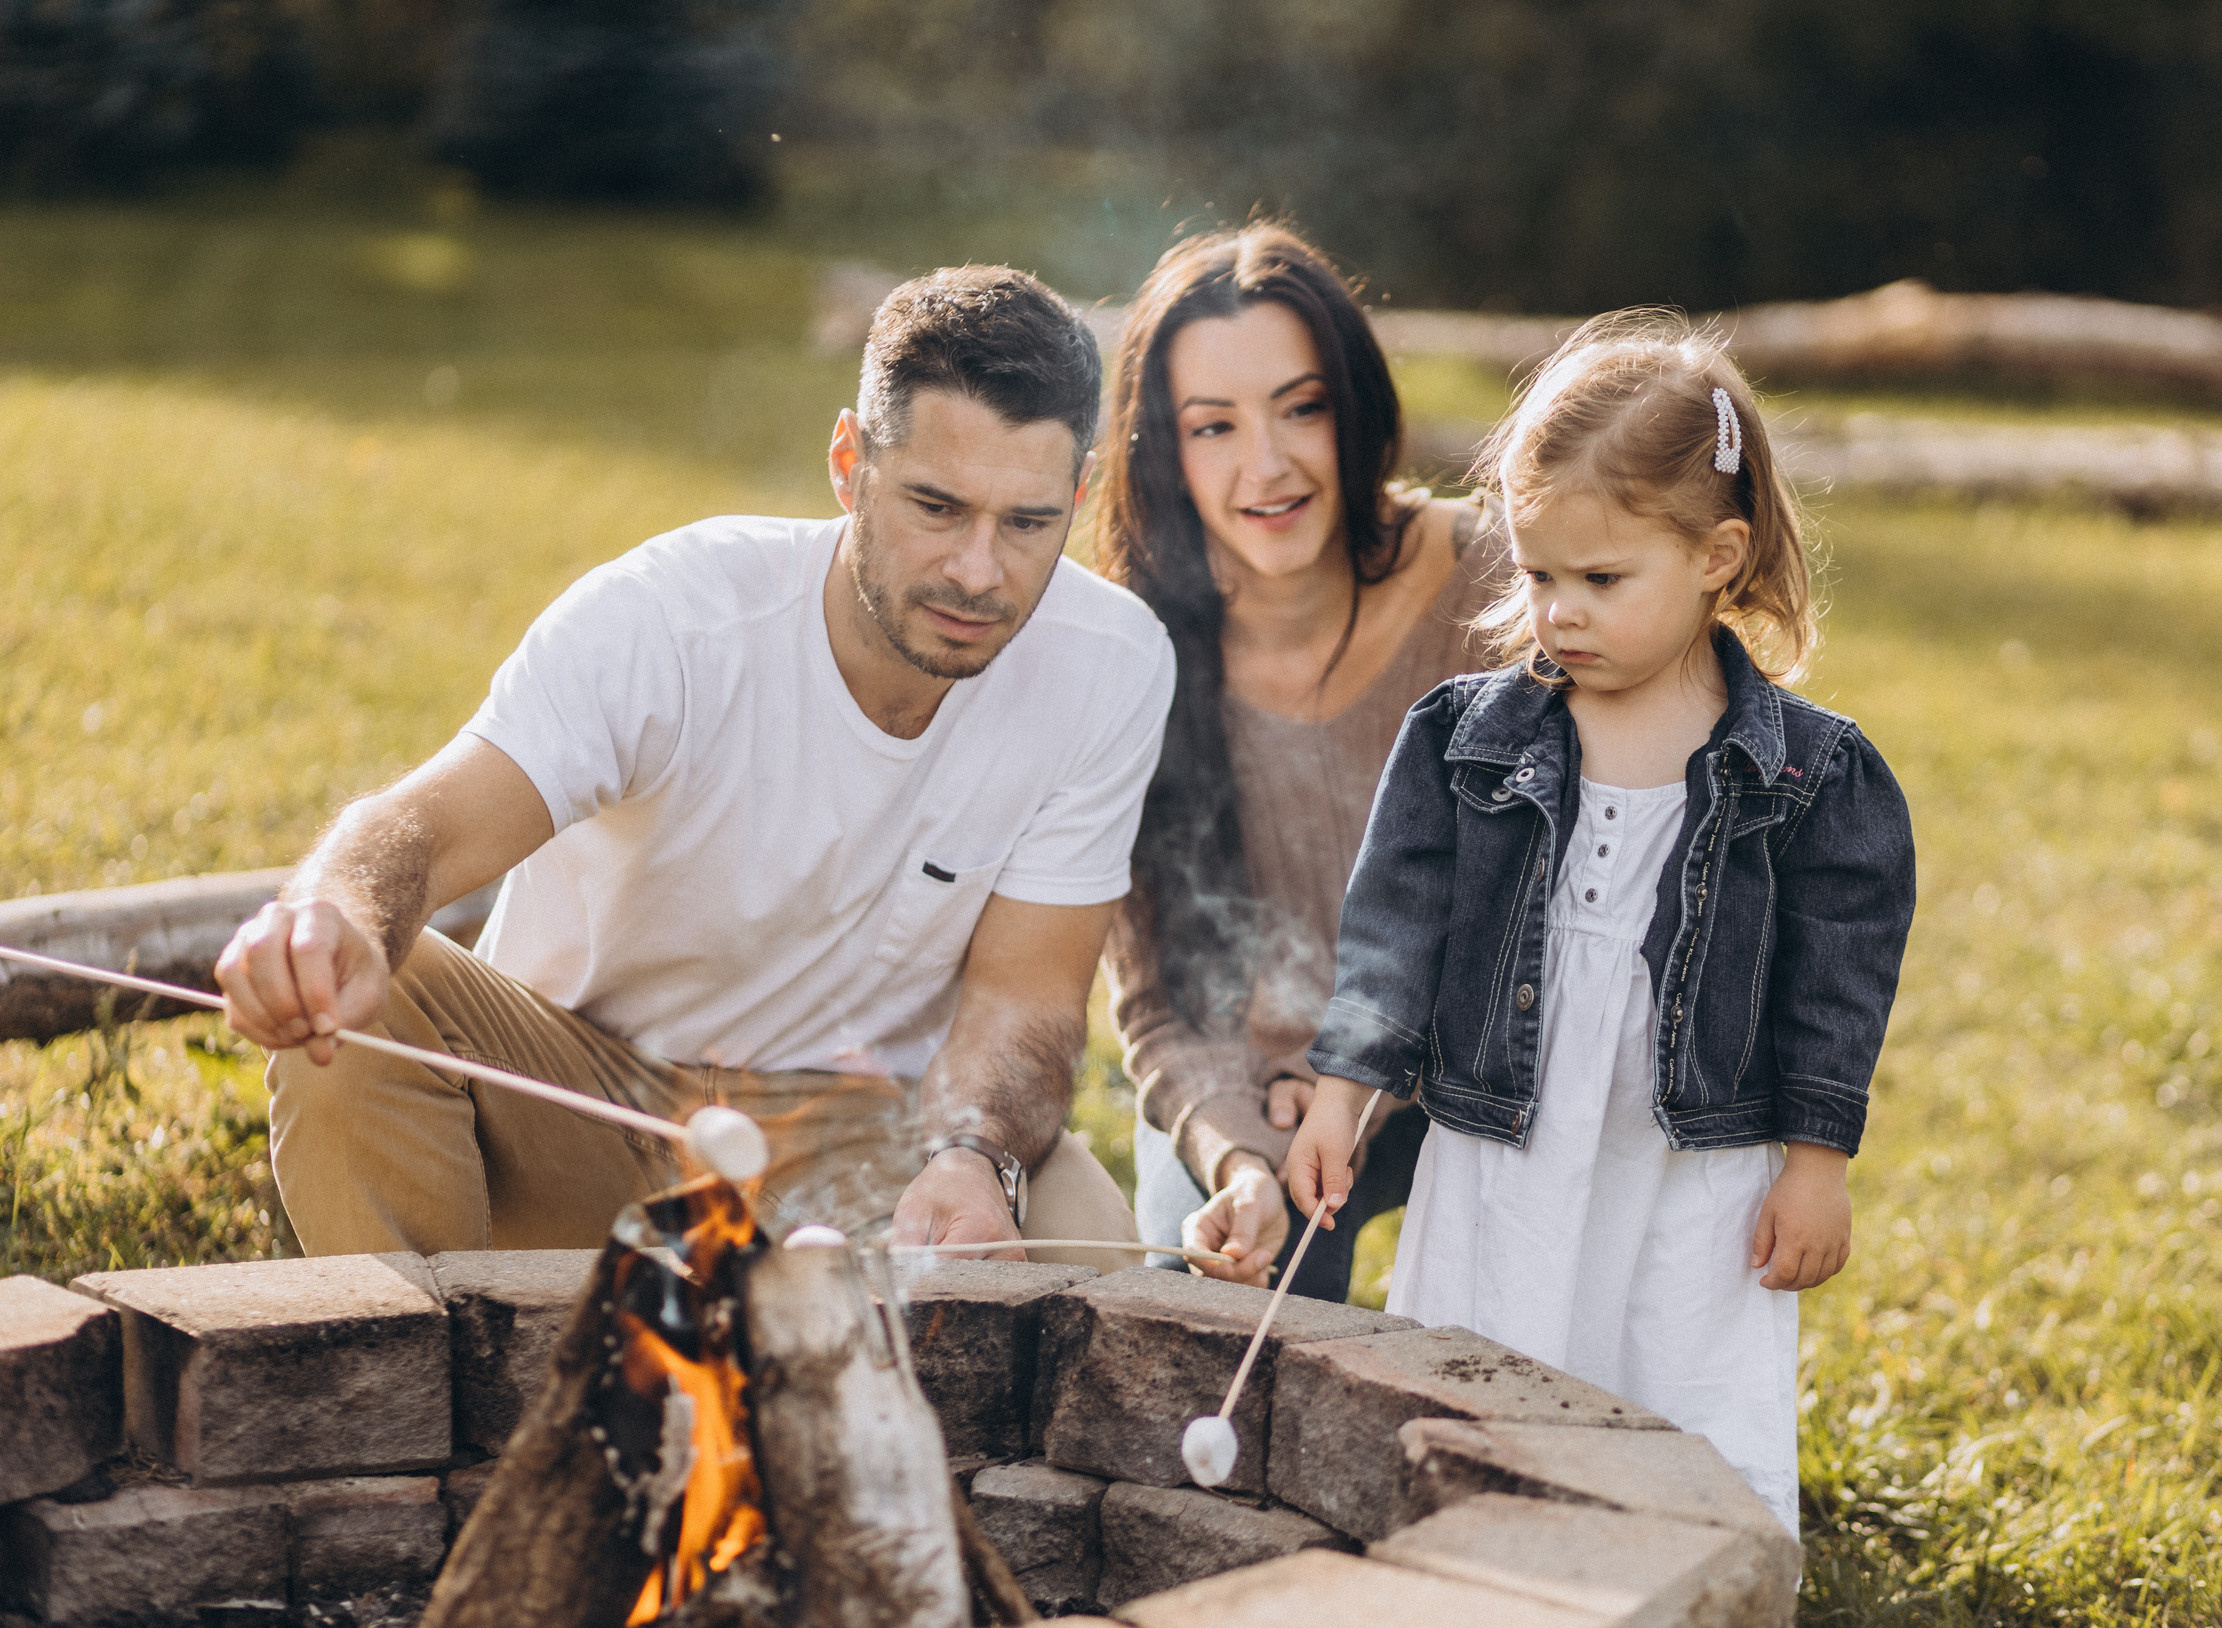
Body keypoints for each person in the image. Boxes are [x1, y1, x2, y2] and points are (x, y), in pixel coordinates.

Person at [214, 266, 1176, 1265]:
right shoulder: (671, 618)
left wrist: (977, 1154)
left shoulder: (1112, 665)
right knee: (379, 989)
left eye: (1026, 524)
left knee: (1081, 1231)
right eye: (936, 507)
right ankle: (428, 1394)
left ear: (1078, 494)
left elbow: (1029, 999)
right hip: (586, 1109)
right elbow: (429, 823)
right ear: (850, 466)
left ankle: (906, 1417)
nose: (979, 572)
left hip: (869, 1136)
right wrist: (337, 911)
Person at [1283, 313, 1917, 1527]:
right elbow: (1393, 928)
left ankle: (1686, 1579)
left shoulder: (1811, 775)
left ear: (1719, 558)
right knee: (1488, 1349)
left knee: (1673, 1356)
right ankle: (1477, 1560)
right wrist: (1339, 1093)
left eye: (1601, 579)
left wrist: (1815, 1164)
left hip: (1693, 1156)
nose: (1559, 611)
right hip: (1503, 1135)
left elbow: (1835, 983)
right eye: (1536, 576)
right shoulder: (1468, 738)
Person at [1090, 224, 1505, 1302]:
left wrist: (1363, 1072)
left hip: (1481, 1080)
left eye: (1301, 407)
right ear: (1161, 450)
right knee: (1208, 1325)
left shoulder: (1495, 585)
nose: (1266, 466)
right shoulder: (1129, 659)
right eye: (1213, 426)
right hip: (1259, 1097)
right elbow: (1157, 1000)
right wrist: (1233, 1153)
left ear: (1353, 408)